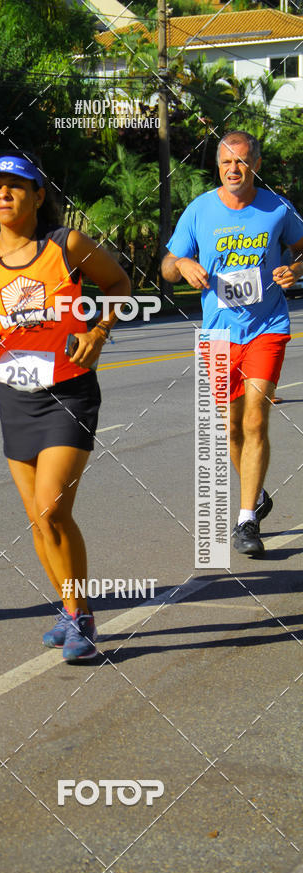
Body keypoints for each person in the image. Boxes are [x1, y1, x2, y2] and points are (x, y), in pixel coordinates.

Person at [0, 152, 130, 660]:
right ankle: (68, 606)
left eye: (14, 186)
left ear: (37, 195)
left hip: (69, 391)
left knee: (53, 506)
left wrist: (99, 332)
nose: (3, 194)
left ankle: (82, 617)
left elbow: (118, 284)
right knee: (38, 518)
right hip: (15, 394)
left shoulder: (65, 245)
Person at [161, 130, 303, 556]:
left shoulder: (277, 208)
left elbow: (302, 249)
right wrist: (183, 262)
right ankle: (254, 494)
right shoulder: (200, 210)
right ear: (218, 166)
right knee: (233, 428)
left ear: (255, 165)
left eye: (241, 161)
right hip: (218, 334)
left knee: (256, 418)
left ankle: (245, 522)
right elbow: (167, 264)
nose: (233, 169)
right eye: (226, 162)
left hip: (267, 327)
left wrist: (297, 269)